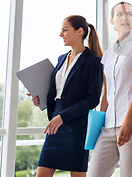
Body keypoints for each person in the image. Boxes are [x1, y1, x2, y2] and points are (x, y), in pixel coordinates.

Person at [30, 15, 103, 177]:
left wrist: (63, 116)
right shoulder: (61, 59)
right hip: (55, 126)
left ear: (79, 31)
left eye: (64, 29)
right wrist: (40, 98)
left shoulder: (93, 61)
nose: (60, 34)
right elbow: (57, 91)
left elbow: (92, 98)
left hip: (77, 128)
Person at [87, 2, 132, 177]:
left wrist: (128, 122)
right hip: (107, 126)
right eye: (119, 14)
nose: (125, 17)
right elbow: (107, 94)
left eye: (129, 14)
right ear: (112, 21)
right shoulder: (107, 55)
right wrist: (99, 126)